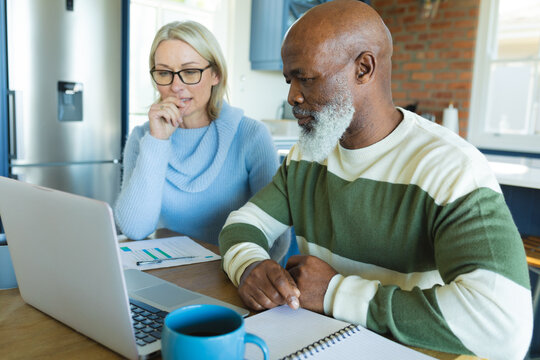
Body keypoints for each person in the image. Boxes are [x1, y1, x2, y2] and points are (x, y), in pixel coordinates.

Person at [218, 1, 533, 359]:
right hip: (318, 342)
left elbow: (504, 324)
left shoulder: (451, 168)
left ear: (364, 68)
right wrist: (250, 267)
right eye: (289, 80)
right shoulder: (307, 156)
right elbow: (243, 224)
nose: (292, 96)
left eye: (306, 78)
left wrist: (335, 293)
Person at [114, 21, 284, 253]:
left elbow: (276, 236)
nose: (176, 86)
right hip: (167, 272)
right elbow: (135, 229)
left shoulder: (251, 136)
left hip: (231, 278)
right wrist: (158, 141)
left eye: (190, 72)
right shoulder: (144, 137)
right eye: (164, 73)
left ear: (216, 74)